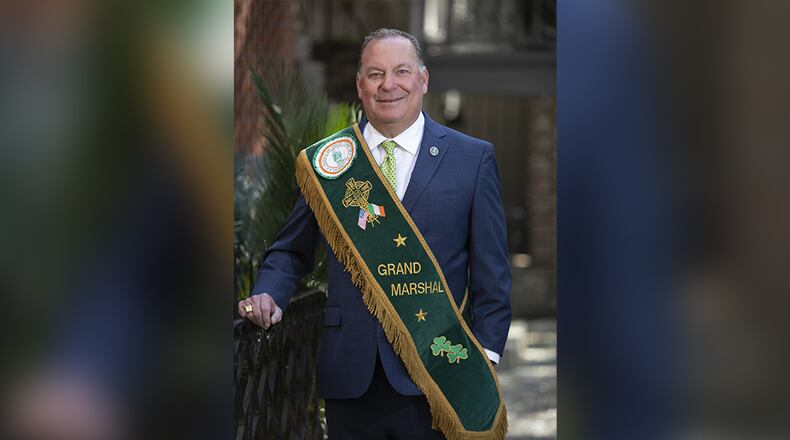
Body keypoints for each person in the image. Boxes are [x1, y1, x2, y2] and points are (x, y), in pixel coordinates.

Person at [238, 28, 511, 439]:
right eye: (375, 73)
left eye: (401, 71)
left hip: (438, 372)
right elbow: (291, 251)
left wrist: (484, 360)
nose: (389, 85)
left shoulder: (473, 159)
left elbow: (492, 273)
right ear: (360, 85)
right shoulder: (329, 164)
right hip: (350, 375)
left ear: (423, 79)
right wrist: (268, 292)